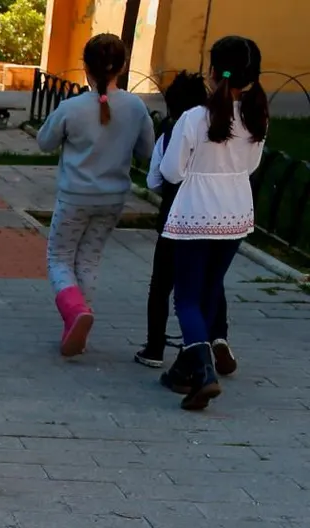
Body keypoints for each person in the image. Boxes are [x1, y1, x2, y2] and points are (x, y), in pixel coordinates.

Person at [157, 35, 267, 411]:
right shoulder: (257, 116)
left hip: (194, 214)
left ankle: (203, 373)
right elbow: (251, 167)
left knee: (186, 297)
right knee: (207, 291)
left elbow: (171, 172)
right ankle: (184, 371)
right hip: (236, 215)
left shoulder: (193, 118)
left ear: (212, 71)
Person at [35, 34, 153, 357]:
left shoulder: (72, 108)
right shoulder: (136, 107)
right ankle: (77, 330)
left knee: (59, 258)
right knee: (88, 259)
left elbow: (44, 141)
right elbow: (147, 150)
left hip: (75, 196)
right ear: (123, 67)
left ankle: (75, 314)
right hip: (113, 199)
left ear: (84, 66)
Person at [136, 71, 211, 369]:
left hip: (173, 220)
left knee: (161, 285)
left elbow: (156, 179)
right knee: (202, 286)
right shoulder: (217, 132)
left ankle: (154, 347)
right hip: (210, 221)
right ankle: (206, 342)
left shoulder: (169, 133)